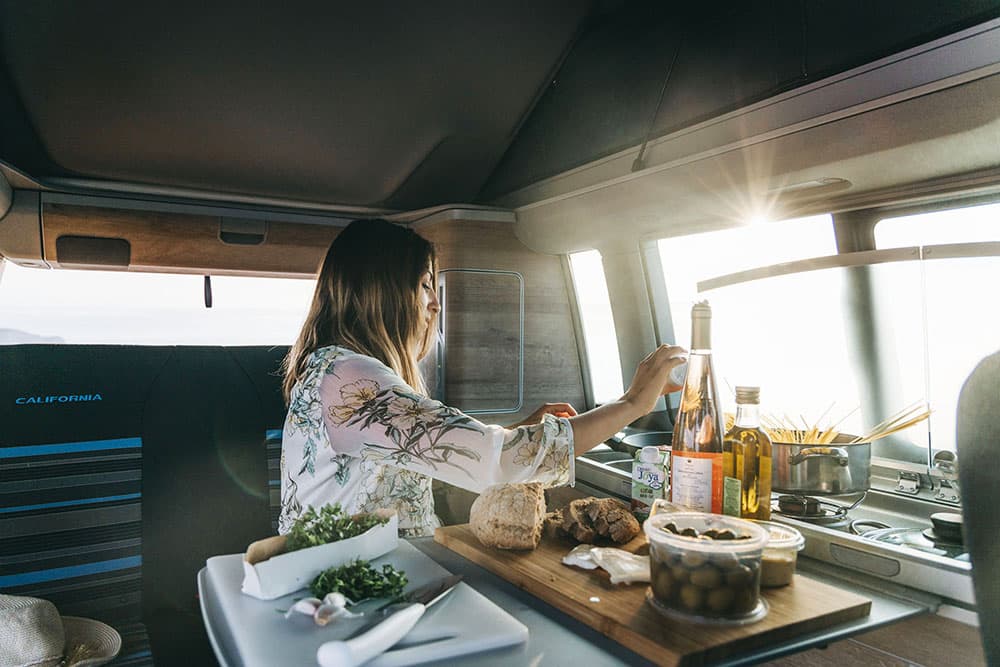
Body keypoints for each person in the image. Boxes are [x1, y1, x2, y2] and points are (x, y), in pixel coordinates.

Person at [278, 219, 686, 537]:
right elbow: (499, 460)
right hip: (352, 595)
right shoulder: (351, 381)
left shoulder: (338, 372)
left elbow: (439, 454)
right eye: (423, 285)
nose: (435, 302)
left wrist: (520, 431)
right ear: (381, 292)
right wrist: (632, 404)